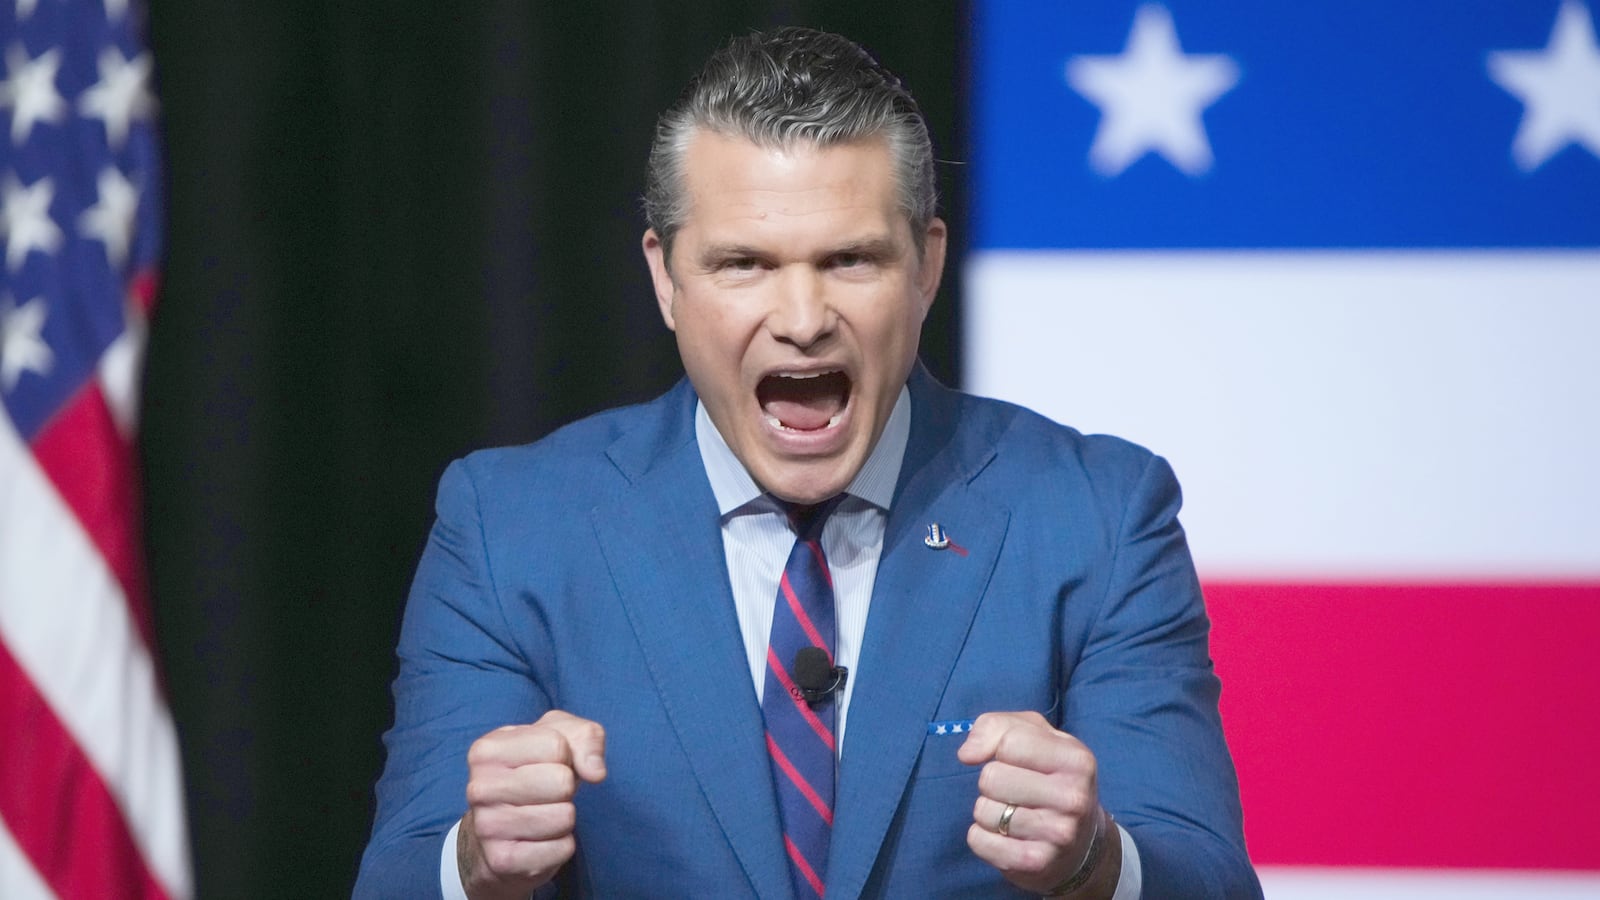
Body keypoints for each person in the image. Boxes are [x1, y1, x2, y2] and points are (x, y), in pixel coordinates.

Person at [355, 26, 1260, 900]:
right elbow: (397, 879)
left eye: (850, 259)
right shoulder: (510, 526)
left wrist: (1097, 861)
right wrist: (475, 863)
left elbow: (1210, 877)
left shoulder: (1097, 517)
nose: (801, 317)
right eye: (743, 263)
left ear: (926, 264)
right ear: (666, 278)